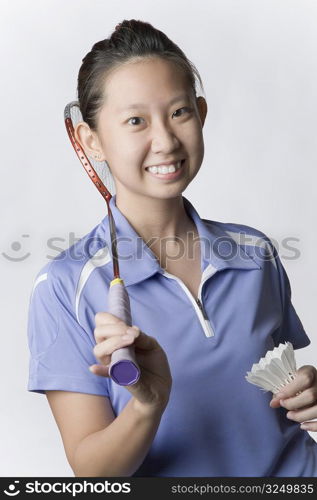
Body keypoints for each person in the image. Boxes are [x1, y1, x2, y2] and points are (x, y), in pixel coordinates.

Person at [27, 19, 317, 477]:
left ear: (201, 113)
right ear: (91, 140)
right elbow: (94, 473)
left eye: (179, 112)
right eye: (136, 121)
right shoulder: (65, 287)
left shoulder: (255, 251)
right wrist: (148, 406)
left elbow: (278, 389)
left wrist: (307, 391)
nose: (165, 140)